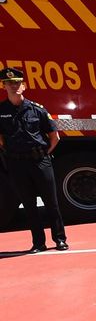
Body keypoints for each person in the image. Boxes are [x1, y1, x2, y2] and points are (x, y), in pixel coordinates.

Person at [0, 67, 67, 252]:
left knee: (51, 202)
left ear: (24, 86)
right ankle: (38, 243)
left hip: (40, 162)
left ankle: (59, 239)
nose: (13, 87)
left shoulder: (37, 109)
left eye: (16, 83)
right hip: (16, 163)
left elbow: (55, 136)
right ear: (3, 86)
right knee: (29, 205)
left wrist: (43, 154)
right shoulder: (1, 111)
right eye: (9, 84)